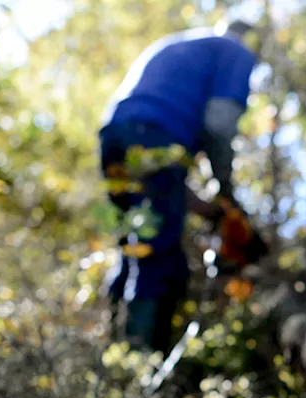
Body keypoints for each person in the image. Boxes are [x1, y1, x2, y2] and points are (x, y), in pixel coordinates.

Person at [97, 19, 259, 355]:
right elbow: (219, 124)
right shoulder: (236, 51)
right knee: (162, 258)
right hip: (154, 138)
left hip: (115, 138)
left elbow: (168, 186)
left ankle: (113, 359)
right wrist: (227, 191)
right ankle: (139, 367)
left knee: (134, 247)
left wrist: (211, 211)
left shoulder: (179, 46)